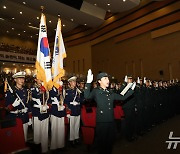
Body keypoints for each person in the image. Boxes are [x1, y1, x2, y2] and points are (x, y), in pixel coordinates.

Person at [84, 69, 135, 154]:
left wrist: (131, 90)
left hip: (111, 121)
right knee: (102, 145)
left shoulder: (110, 92)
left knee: (110, 143)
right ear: (99, 81)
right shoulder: (96, 91)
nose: (108, 80)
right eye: (105, 79)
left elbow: (122, 97)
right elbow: (87, 96)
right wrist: (88, 82)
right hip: (102, 122)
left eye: (108, 79)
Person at [5, 71, 31, 142]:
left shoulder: (26, 91)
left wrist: (30, 117)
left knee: (24, 138)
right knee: (16, 139)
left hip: (24, 117)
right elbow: (6, 108)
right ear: (15, 80)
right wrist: (13, 105)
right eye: (19, 78)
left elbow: (28, 104)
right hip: (15, 118)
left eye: (23, 78)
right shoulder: (10, 92)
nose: (22, 80)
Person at [30, 75, 50, 153]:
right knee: (37, 133)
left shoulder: (45, 88)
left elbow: (48, 98)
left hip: (45, 112)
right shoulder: (32, 89)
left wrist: (47, 105)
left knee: (45, 131)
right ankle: (37, 149)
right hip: (37, 112)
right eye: (39, 78)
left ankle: (44, 148)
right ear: (35, 79)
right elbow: (31, 102)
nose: (41, 79)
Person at [64, 76, 84, 147]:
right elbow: (66, 101)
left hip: (77, 110)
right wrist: (70, 106)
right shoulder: (67, 91)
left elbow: (81, 99)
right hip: (72, 110)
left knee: (77, 126)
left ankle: (76, 138)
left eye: (75, 81)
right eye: (73, 81)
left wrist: (80, 101)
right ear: (70, 83)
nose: (75, 83)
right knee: (72, 126)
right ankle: (72, 139)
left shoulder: (78, 91)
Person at [48, 83, 66, 151]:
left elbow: (65, 98)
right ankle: (54, 146)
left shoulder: (62, 88)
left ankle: (61, 145)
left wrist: (63, 105)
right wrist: (53, 102)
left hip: (61, 110)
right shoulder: (49, 88)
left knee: (61, 129)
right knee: (54, 129)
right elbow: (47, 100)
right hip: (54, 111)